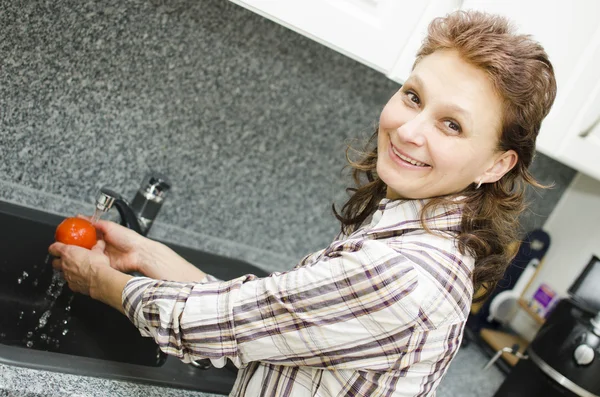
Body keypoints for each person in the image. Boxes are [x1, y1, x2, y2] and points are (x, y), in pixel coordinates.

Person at [48, 10, 556, 397]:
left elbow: (209, 329)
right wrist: (152, 259)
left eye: (452, 124)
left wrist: (103, 282)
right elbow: (270, 324)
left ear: (495, 165)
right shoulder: (413, 231)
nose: (408, 129)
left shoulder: (404, 273)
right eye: (413, 96)